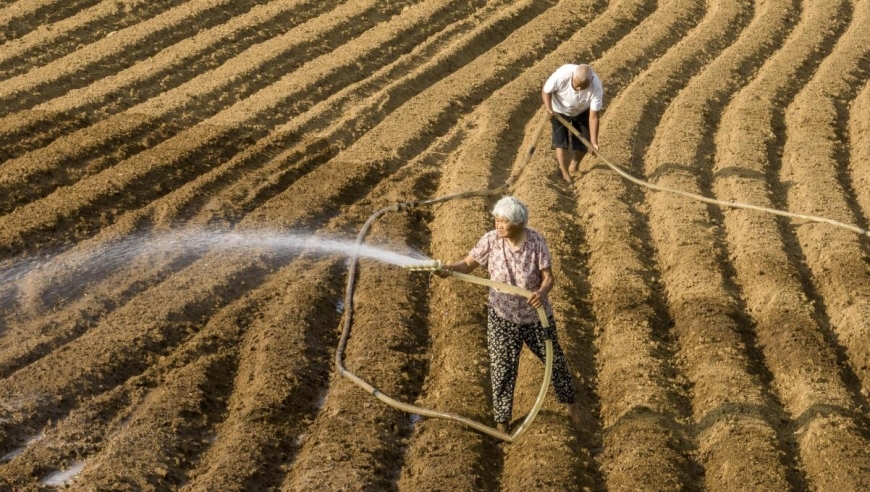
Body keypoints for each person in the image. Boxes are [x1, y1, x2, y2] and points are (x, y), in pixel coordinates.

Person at [438, 196, 582, 434]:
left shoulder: (535, 241)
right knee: (503, 368)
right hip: (502, 315)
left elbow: (548, 276)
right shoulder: (491, 240)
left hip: (535, 316)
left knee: (554, 361)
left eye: (505, 221)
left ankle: (571, 405)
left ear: (519, 223)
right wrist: (449, 269)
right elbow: (467, 264)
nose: (499, 225)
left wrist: (542, 293)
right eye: (497, 219)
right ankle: (502, 422)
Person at [542, 63, 604, 182]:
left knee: (584, 141)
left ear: (591, 80)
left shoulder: (596, 87)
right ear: (572, 77)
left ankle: (573, 167)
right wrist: (549, 108)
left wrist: (594, 142)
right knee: (560, 142)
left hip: (581, 110)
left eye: (583, 87)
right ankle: (565, 174)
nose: (579, 89)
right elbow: (546, 91)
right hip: (558, 110)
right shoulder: (561, 76)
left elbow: (594, 116)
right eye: (576, 86)